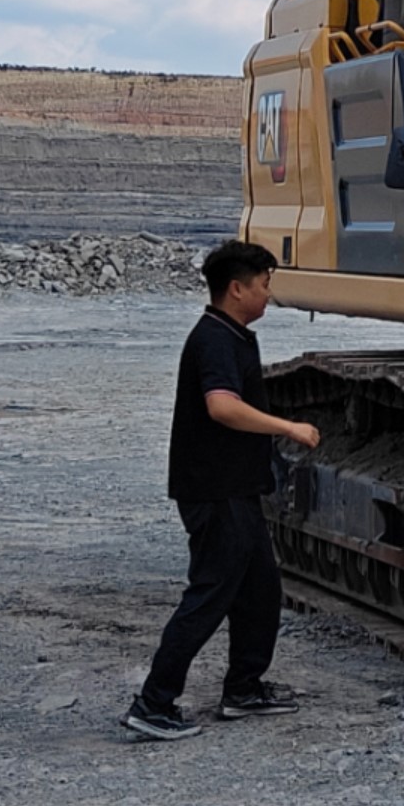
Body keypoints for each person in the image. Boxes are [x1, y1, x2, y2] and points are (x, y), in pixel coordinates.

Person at [122, 239, 322, 742]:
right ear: (236, 289)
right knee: (211, 593)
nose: (268, 295)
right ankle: (153, 703)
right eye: (264, 285)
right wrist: (288, 427)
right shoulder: (214, 339)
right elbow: (222, 406)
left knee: (260, 591)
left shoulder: (231, 334)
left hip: (236, 487)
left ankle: (244, 689)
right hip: (214, 489)